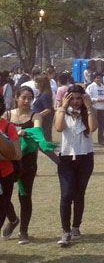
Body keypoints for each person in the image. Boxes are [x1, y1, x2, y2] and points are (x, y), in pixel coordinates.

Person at [2, 86, 57, 244]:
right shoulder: (6, 115)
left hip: (27, 163)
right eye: (23, 97)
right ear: (16, 98)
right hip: (9, 162)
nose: (26, 101)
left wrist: (25, 133)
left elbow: (37, 132)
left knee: (24, 196)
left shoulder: (35, 115)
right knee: (3, 197)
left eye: (30, 98)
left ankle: (23, 231)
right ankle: (13, 220)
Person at [53, 85, 97, 247]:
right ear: (67, 98)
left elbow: (93, 128)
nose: (76, 102)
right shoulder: (62, 111)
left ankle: (76, 227)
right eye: (73, 98)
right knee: (66, 195)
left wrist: (89, 106)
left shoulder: (88, 111)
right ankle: (65, 231)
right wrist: (63, 107)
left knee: (79, 194)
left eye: (79, 98)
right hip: (66, 158)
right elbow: (58, 128)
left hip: (85, 157)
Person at [0, 98, 20, 244]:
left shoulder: (7, 127)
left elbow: (17, 154)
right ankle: (13, 219)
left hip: (4, 175)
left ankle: (13, 220)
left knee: (2, 206)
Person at [86, 73, 104, 146]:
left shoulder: (103, 87)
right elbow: (88, 97)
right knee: (91, 126)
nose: (99, 79)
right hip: (94, 109)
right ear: (94, 79)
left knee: (102, 126)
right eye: (97, 78)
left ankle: (101, 141)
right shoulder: (91, 87)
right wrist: (96, 100)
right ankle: (88, 141)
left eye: (100, 78)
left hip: (102, 109)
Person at [32, 74, 54, 142]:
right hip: (41, 121)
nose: (34, 84)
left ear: (41, 83)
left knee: (45, 141)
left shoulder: (45, 95)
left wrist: (37, 116)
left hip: (44, 122)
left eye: (36, 82)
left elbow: (48, 109)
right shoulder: (41, 93)